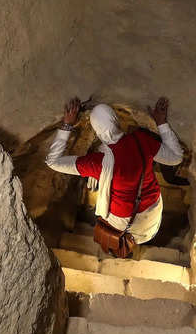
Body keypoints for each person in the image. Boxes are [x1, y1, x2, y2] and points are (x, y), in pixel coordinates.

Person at [45, 97, 183, 245]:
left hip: (121, 223)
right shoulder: (141, 140)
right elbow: (176, 157)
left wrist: (67, 125)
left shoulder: (98, 163)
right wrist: (161, 122)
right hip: (152, 213)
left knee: (101, 187)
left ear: (97, 131)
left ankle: (120, 244)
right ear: (115, 120)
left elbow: (53, 161)